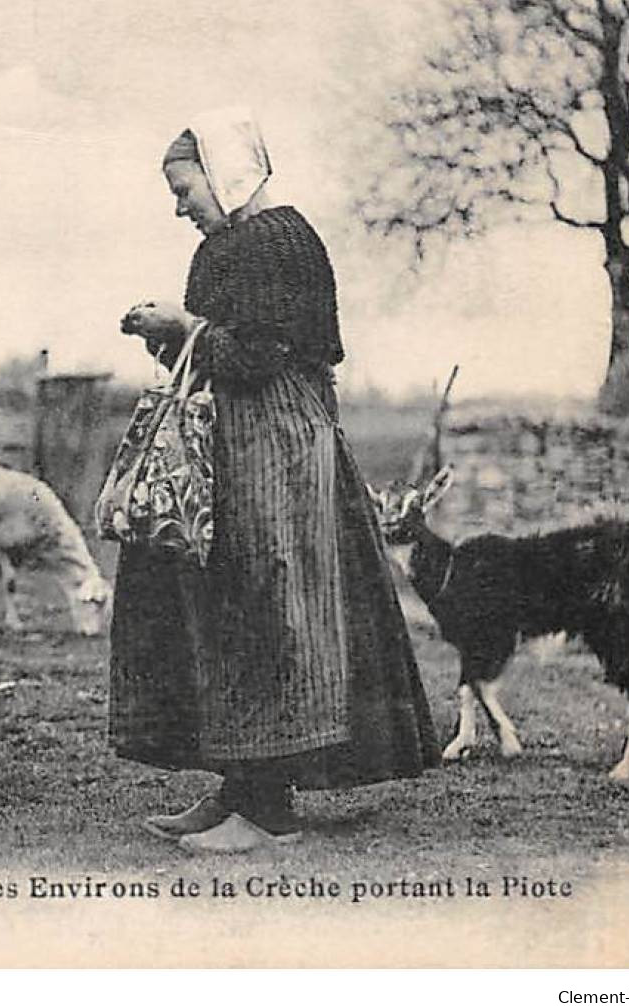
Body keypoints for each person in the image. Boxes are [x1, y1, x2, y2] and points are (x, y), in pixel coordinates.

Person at [109, 106, 440, 853]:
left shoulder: (278, 241)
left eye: (184, 188)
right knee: (233, 612)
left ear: (225, 175)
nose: (178, 205)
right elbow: (218, 355)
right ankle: (239, 790)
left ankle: (269, 814)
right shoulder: (231, 244)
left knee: (272, 610)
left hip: (280, 455)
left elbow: (258, 357)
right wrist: (173, 338)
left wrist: (181, 329)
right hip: (239, 448)